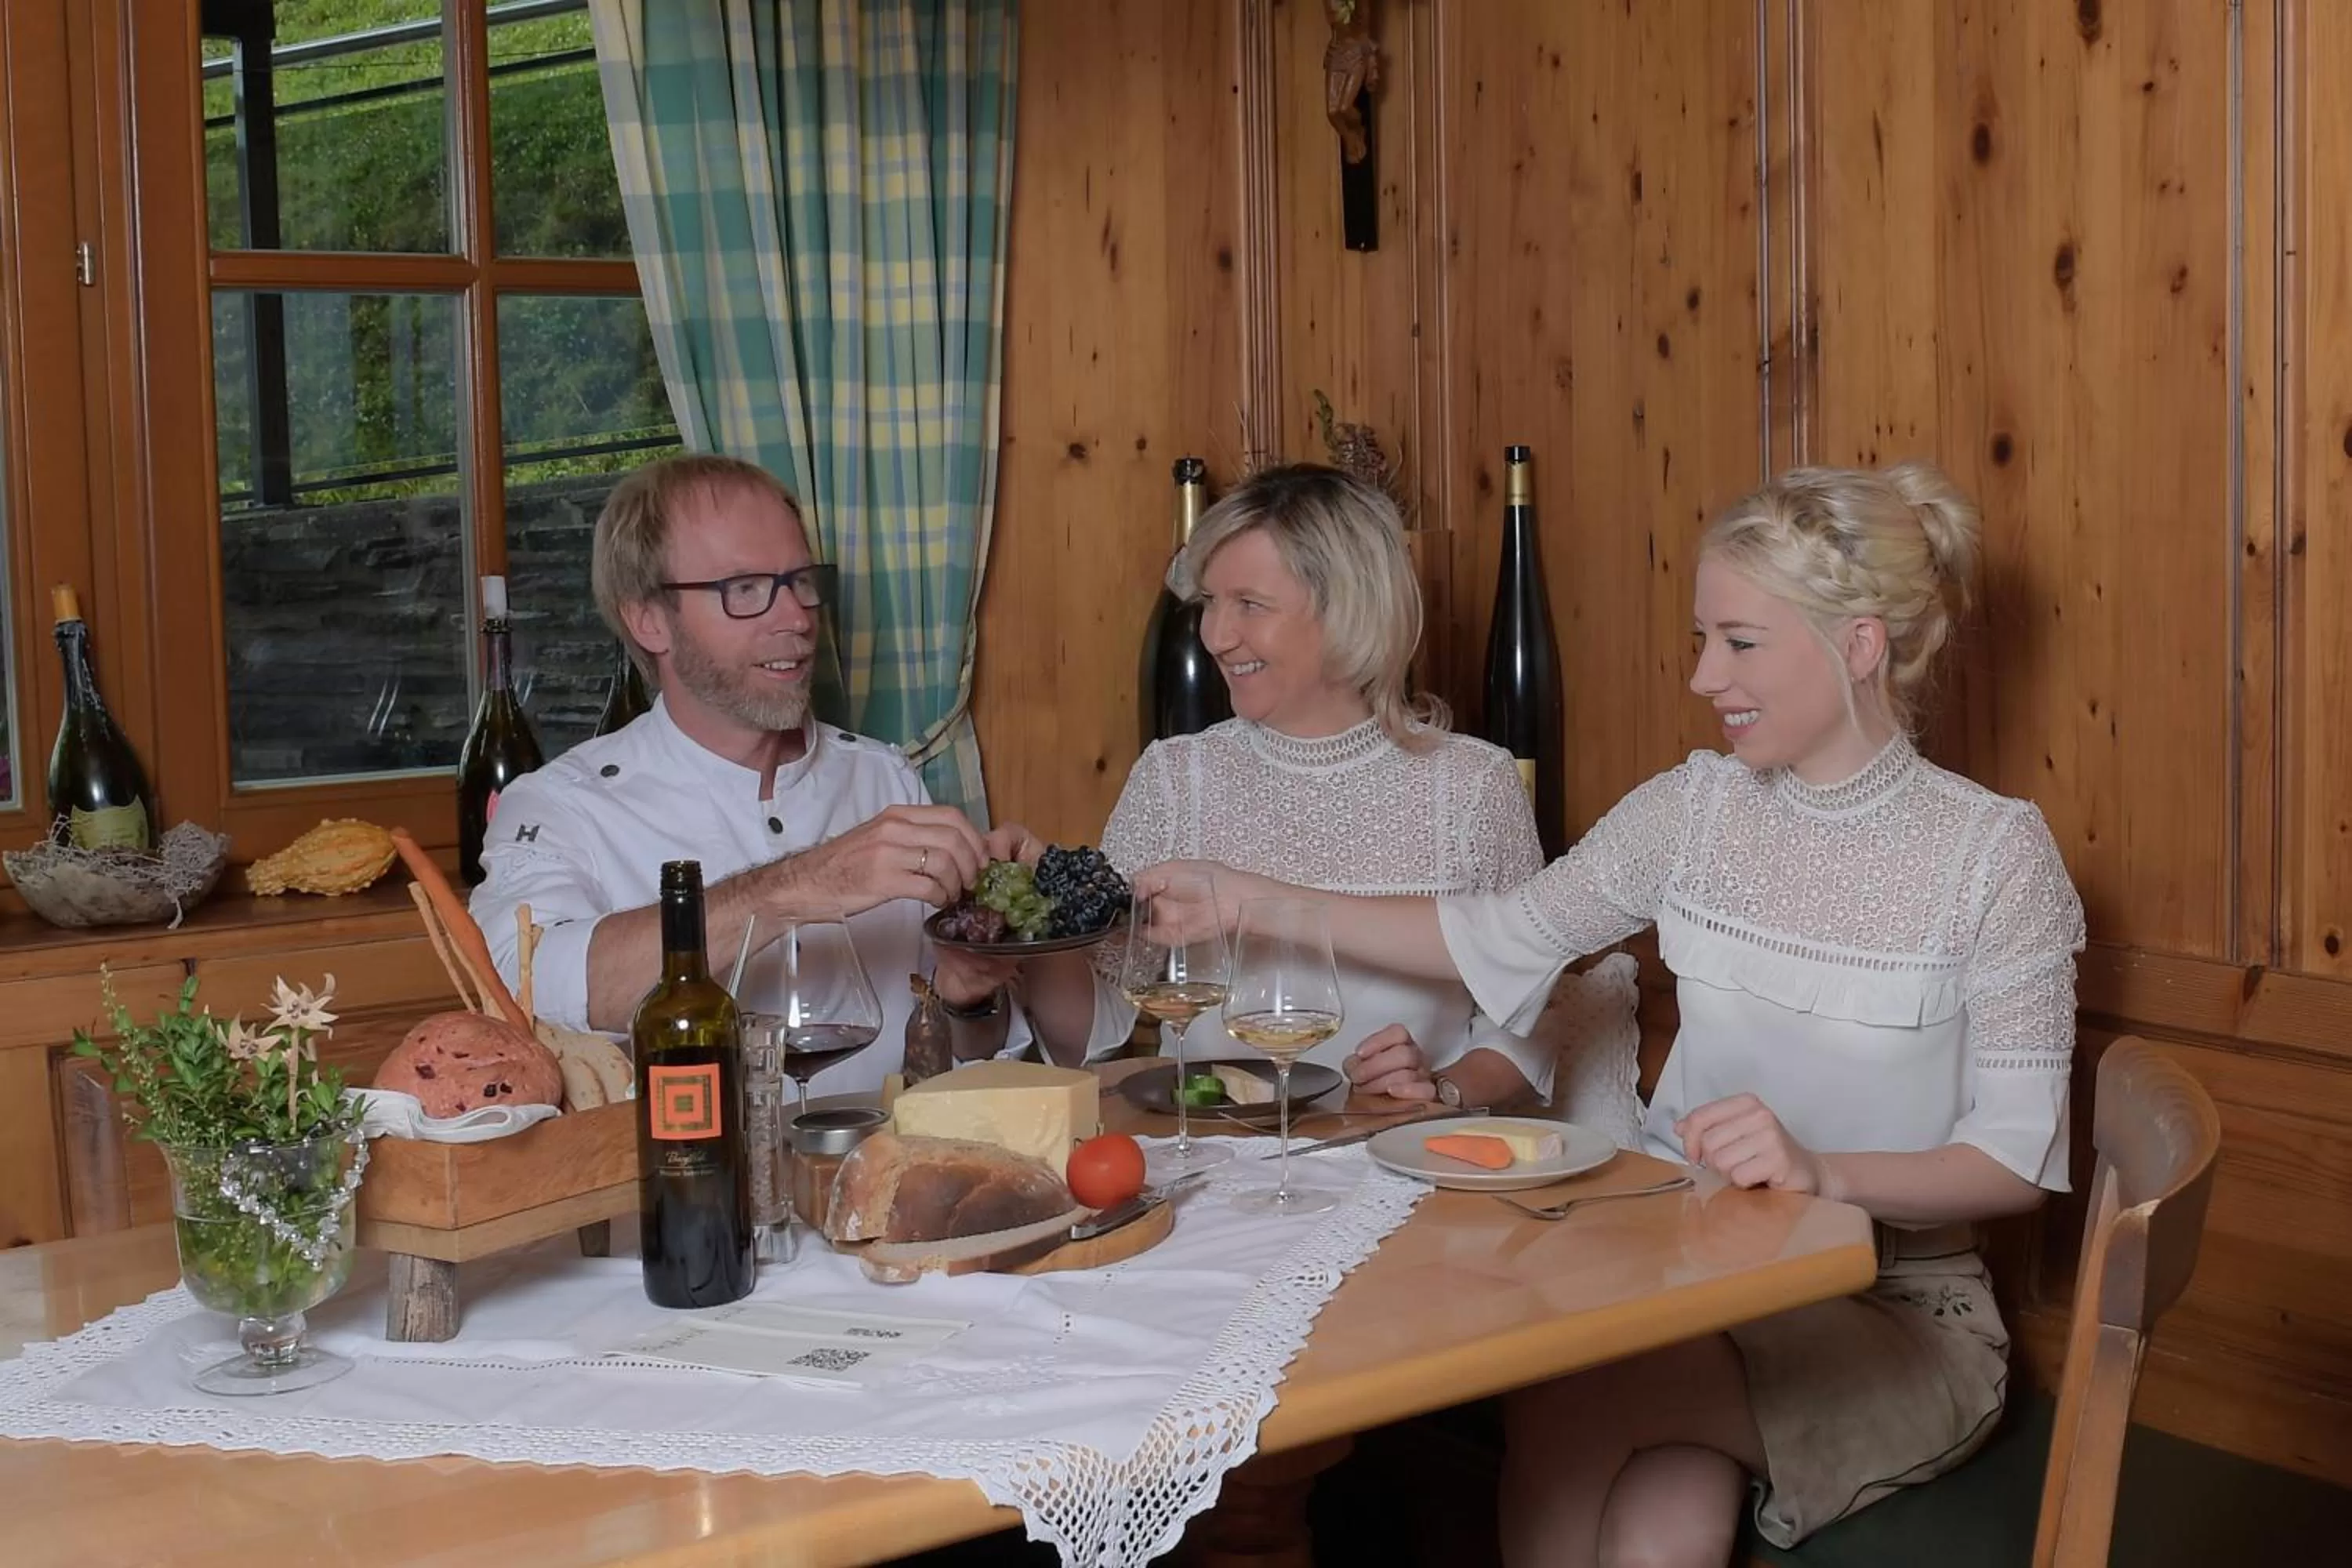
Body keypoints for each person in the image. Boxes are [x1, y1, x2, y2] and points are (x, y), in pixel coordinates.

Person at [1139, 461, 2087, 1563]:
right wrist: (1248, 898)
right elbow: (1493, 933)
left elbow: (2015, 1166)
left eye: (1739, 642)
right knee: (1658, 1517)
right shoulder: (1692, 810)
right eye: (1702, 637)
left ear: (1860, 645)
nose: (1701, 676)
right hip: (1683, 1277)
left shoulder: (1994, 857)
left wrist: (1824, 1172)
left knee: (1576, 1383)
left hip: (1890, 1308)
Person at [1024, 463, 1642, 1135]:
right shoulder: (1175, 777)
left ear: (1346, 608)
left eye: (1250, 605)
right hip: (1218, 1164)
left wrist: (1443, 1090)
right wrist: (1037, 924)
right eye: (1209, 602)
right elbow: (1093, 1033)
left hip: (1405, 1167)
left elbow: (1529, 1020)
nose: (1216, 635)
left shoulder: (1471, 785)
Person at [470, 454, 1038, 1095]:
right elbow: (527, 989)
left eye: (801, 581)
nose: (795, 617)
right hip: (693, 1187)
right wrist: (798, 886)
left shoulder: (882, 776)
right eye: (743, 588)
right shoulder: (560, 807)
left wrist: (967, 998)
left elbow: (970, 1055)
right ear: (648, 619)